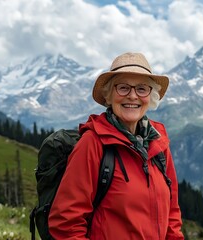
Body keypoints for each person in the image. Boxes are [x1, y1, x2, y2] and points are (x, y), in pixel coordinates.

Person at [48, 52, 184, 239]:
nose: (133, 96)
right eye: (123, 88)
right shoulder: (93, 143)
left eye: (142, 89)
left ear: (150, 96)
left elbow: (172, 214)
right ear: (109, 95)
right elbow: (66, 222)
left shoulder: (158, 144)